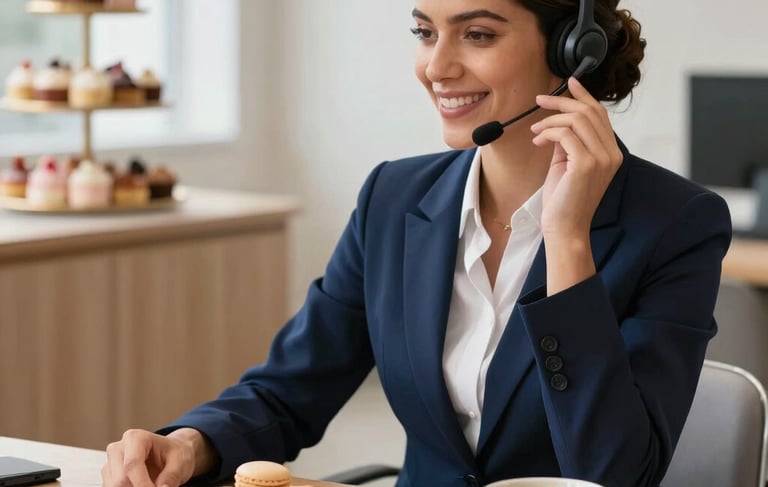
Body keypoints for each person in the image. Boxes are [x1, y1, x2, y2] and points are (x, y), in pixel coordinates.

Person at [102, 1, 732, 486]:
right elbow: (289, 388)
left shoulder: (676, 223)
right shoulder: (393, 196)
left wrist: (568, 242)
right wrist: (190, 443)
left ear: (575, 51)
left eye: (478, 34)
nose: (437, 67)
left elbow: (614, 472)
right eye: (426, 32)